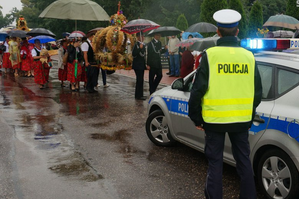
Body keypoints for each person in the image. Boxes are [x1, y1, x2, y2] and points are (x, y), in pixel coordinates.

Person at [188, 9, 262, 199]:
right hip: (242, 120)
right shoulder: (249, 56)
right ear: (237, 31)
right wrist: (248, 111)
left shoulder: (209, 55)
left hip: (214, 121)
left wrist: (196, 117)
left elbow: (198, 90)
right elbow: (258, 92)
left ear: (218, 32)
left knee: (215, 163)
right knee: (244, 162)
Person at [132, 32, 146, 100]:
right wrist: (139, 48)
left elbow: (143, 55)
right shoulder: (136, 45)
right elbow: (134, 54)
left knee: (141, 80)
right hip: (137, 65)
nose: (143, 38)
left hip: (141, 65)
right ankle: (138, 95)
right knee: (139, 80)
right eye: (142, 36)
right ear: (138, 37)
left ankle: (141, 94)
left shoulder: (142, 45)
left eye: (143, 36)